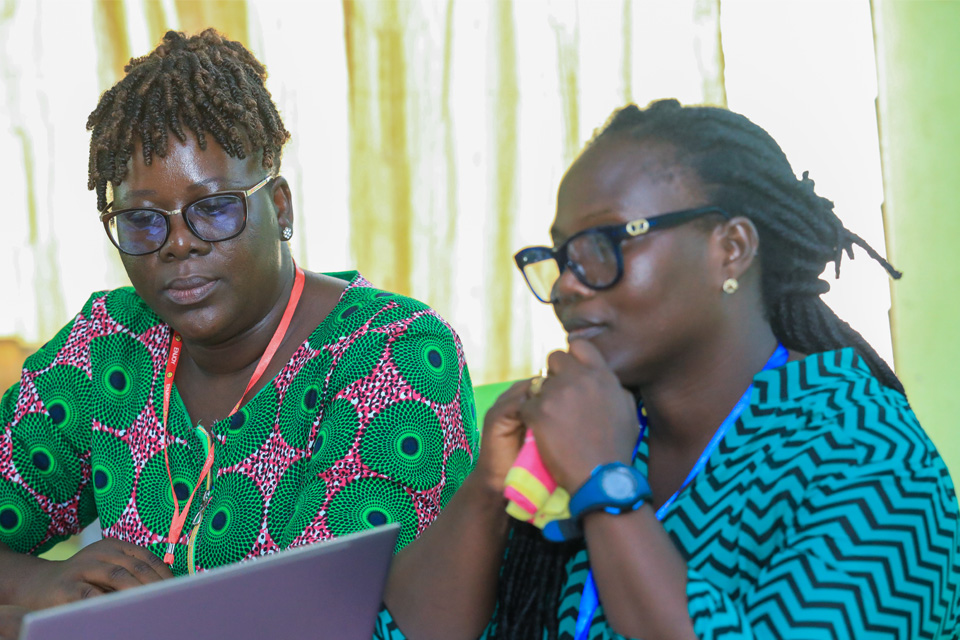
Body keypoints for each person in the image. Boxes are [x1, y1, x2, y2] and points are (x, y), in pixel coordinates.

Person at [375, 100, 960, 640]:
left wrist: (603, 483)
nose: (569, 285)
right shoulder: (599, 426)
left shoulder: (870, 459)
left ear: (730, 248)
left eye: (604, 242)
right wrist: (489, 490)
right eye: (561, 257)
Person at [0, 27, 476, 626]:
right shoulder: (107, 344)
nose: (177, 244)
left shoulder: (390, 356)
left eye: (213, 208)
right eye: (143, 220)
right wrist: (41, 583)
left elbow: (328, 616)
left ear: (279, 207)